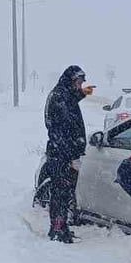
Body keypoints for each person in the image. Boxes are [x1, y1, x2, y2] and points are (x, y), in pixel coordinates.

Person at [44, 65, 94, 242]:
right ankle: (57, 229)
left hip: (65, 153)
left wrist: (83, 93)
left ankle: (62, 226)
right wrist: (71, 156)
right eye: (78, 82)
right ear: (70, 80)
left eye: (81, 83)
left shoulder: (63, 94)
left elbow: (71, 101)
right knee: (60, 192)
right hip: (61, 155)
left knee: (65, 193)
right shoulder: (59, 97)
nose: (79, 85)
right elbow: (63, 130)